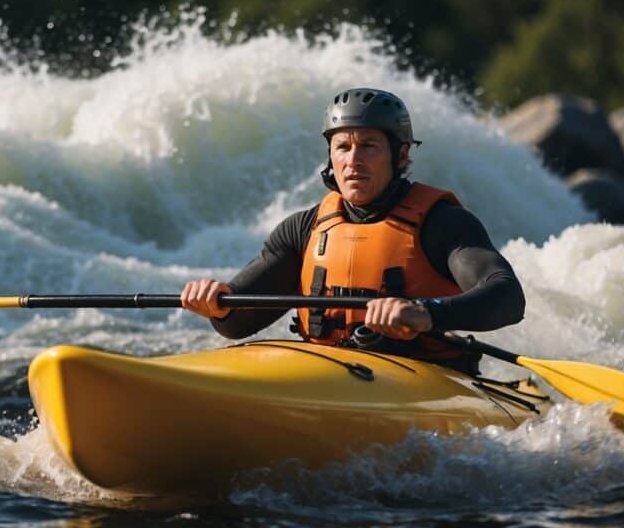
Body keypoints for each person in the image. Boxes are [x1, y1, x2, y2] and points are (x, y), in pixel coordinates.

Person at [180, 87, 525, 373]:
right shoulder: (303, 229)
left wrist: (427, 313)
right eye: (343, 147)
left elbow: (507, 297)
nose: (353, 160)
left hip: (426, 378)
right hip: (328, 374)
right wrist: (218, 305)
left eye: (369, 147)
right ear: (331, 156)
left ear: (401, 156)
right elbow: (237, 324)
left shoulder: (442, 223)